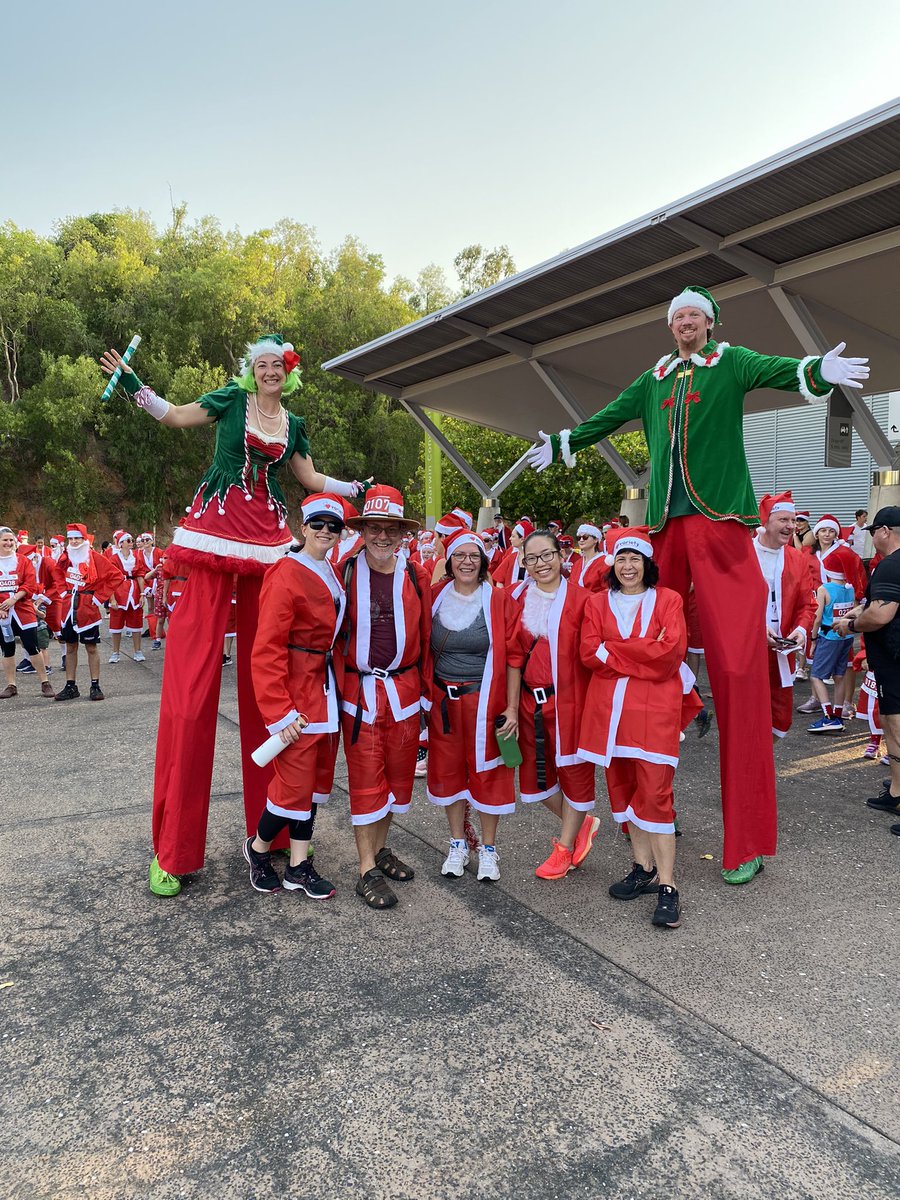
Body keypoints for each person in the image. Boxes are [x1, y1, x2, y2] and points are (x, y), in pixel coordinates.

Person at [526, 283, 869, 884]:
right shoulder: (654, 377)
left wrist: (817, 370)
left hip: (719, 525)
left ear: (708, 325)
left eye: (695, 316)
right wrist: (561, 444)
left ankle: (749, 838)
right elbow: (606, 418)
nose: (686, 323)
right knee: (629, 659)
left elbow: (780, 368)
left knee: (738, 671)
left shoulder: (729, 361)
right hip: (662, 529)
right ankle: (642, 825)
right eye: (678, 316)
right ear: (670, 326)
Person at [100, 334, 366, 897]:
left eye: (278, 364)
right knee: (192, 695)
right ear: (252, 370)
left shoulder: (292, 424)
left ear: (287, 372)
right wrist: (131, 383)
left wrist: (354, 490)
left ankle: (272, 834)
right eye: (261, 364)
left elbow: (310, 481)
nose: (270, 371)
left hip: (267, 545)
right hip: (214, 537)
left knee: (269, 685)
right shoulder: (229, 400)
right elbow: (173, 416)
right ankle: (172, 849)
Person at [578, 527, 701, 927]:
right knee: (624, 792)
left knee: (657, 796)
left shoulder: (669, 599)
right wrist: (643, 650)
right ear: (612, 563)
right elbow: (587, 653)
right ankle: (642, 868)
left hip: (655, 715)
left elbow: (670, 655)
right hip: (610, 717)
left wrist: (614, 649)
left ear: (647, 563)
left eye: (635, 559)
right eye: (622, 558)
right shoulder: (597, 603)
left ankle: (668, 885)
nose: (628, 566)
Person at [243, 493, 346, 897]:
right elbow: (267, 648)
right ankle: (258, 847)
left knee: (315, 783)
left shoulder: (331, 570)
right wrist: (280, 711)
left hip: (324, 690)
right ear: (302, 527)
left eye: (333, 526)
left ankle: (299, 866)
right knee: (293, 784)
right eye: (317, 524)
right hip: (297, 695)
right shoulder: (286, 572)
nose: (324, 531)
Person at [339, 486, 431, 910]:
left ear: (401, 534)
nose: (381, 537)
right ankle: (365, 869)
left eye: (390, 529)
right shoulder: (344, 571)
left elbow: (427, 639)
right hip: (360, 694)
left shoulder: (416, 575)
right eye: (373, 528)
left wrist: (428, 698)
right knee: (365, 779)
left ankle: (380, 849)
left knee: (395, 780)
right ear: (362, 530)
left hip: (405, 691)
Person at [428, 527, 519, 881]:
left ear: (483, 562)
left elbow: (513, 658)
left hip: (484, 702)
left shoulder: (498, 600)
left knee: (489, 772)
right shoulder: (435, 596)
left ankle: (489, 849)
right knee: (448, 770)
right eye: (460, 555)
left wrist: (511, 707)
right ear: (449, 560)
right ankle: (457, 844)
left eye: (474, 556)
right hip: (443, 703)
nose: (467, 561)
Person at [508, 530, 599, 879]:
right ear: (524, 563)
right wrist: (513, 707)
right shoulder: (518, 598)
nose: (541, 563)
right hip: (531, 705)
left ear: (561, 555)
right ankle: (581, 824)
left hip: (569, 703)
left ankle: (565, 847)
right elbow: (514, 657)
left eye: (547, 555)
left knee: (574, 776)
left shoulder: (584, 599)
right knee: (534, 781)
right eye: (532, 558)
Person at [834, 508, 900, 825]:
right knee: (890, 720)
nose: (871, 536)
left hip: (894, 659)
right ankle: (897, 790)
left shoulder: (890, 565)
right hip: (891, 659)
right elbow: (873, 604)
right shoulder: (889, 567)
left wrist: (852, 626)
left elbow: (879, 615)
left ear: (885, 530)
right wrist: (852, 616)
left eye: (874, 530)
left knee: (896, 723)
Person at [753, 493, 816, 742]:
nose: (791, 525)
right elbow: (729, 607)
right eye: (784, 519)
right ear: (766, 522)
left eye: (793, 520)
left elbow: (807, 605)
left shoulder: (796, 559)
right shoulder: (744, 555)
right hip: (748, 650)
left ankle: (762, 767)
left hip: (782, 650)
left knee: (780, 719)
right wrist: (757, 629)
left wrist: (801, 630)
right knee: (747, 714)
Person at [51, 524, 124, 702]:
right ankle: (70, 685)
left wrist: (99, 598)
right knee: (70, 647)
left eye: (78, 538)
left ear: (84, 540)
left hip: (87, 609)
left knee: (91, 647)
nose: (74, 542)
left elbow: (116, 576)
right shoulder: (65, 557)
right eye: (71, 539)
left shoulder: (95, 558)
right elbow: (57, 573)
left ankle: (95, 685)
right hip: (68, 608)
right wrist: (62, 592)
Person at [806, 548, 857, 734]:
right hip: (846, 637)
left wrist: (812, 639)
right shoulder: (849, 588)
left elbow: (817, 618)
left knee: (816, 675)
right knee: (839, 676)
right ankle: (837, 714)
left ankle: (829, 717)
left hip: (828, 637)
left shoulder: (824, 589)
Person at [0, 528, 53, 699]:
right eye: (4, 540)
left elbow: (30, 584)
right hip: (3, 614)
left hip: (23, 610)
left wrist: (14, 599)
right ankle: (11, 684)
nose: (8, 544)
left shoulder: (22, 561)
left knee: (32, 646)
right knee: (7, 649)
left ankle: (45, 682)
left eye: (11, 540)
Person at [108, 532, 147, 663]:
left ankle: (138, 651)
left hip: (134, 591)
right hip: (119, 591)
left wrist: (142, 594)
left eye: (131, 540)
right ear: (121, 543)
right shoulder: (113, 558)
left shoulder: (137, 556)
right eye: (128, 540)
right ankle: (115, 652)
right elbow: (109, 580)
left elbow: (140, 575)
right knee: (116, 623)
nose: (131, 542)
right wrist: (112, 599)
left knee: (136, 622)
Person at [491, 519, 534, 588]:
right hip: (510, 597)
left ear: (522, 539)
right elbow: (499, 580)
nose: (510, 539)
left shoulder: (535, 559)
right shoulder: (512, 557)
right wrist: (504, 596)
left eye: (513, 536)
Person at [569, 523, 605, 591]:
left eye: (585, 537)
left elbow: (607, 591)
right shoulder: (577, 564)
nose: (581, 540)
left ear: (595, 540)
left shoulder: (604, 562)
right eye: (578, 537)